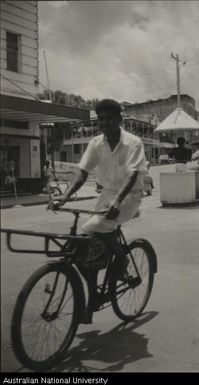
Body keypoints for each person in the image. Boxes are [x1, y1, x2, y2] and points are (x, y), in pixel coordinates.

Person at [50, 99, 147, 323]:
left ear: (119, 120)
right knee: (84, 248)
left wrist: (118, 202)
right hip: (106, 194)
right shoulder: (95, 143)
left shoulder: (133, 142)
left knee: (96, 226)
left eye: (109, 119)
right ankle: (93, 296)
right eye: (100, 119)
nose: (104, 123)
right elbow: (82, 171)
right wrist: (64, 196)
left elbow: (132, 175)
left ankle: (121, 261)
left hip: (130, 195)